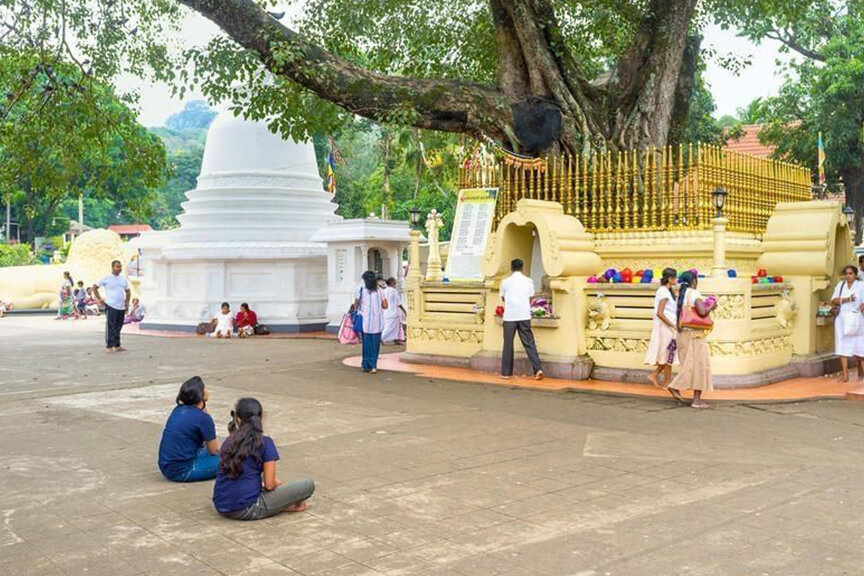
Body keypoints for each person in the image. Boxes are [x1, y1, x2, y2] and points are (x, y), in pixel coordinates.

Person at [213, 397, 314, 520]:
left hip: (221, 505)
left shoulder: (229, 441)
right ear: (260, 419)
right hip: (247, 508)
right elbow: (270, 485)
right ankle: (279, 506)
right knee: (307, 485)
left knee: (275, 488)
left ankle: (279, 505)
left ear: (238, 420)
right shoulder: (265, 443)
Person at [667, 271, 716, 408]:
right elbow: (702, 312)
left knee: (689, 365)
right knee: (700, 365)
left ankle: (679, 388)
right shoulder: (694, 293)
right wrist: (712, 305)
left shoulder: (680, 296)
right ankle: (695, 399)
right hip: (695, 334)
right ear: (694, 281)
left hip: (683, 333)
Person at [158, 376, 220, 482]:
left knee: (224, 452)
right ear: (200, 395)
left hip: (167, 466)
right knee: (232, 460)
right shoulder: (203, 418)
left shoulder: (178, 410)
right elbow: (214, 450)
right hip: (182, 471)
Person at [500, 258, 544, 380]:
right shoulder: (528, 281)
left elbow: (503, 298)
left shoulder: (505, 282)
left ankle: (506, 373)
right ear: (522, 267)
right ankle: (537, 369)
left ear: (511, 268)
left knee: (508, 343)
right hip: (524, 315)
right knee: (529, 343)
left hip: (510, 316)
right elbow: (531, 297)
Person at [644, 268, 678, 389]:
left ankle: (655, 375)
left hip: (669, 327)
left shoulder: (667, 291)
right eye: (675, 277)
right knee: (668, 355)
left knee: (668, 354)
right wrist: (671, 324)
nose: (677, 280)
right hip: (666, 327)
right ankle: (667, 382)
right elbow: (660, 312)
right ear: (670, 279)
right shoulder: (663, 292)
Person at [831, 265, 864, 382]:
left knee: (859, 346)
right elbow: (834, 300)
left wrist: (862, 306)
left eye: (850, 274)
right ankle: (845, 374)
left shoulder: (861, 285)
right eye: (846, 274)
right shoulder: (841, 285)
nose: (848, 276)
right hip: (842, 320)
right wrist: (846, 299)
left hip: (856, 319)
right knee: (841, 345)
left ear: (855, 275)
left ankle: (860, 367)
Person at [353, 270, 388, 373]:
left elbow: (356, 304)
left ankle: (365, 365)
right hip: (377, 322)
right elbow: (385, 305)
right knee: (375, 345)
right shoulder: (380, 291)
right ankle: (373, 366)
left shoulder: (361, 290)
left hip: (365, 323)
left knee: (366, 344)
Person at [93, 260, 131, 352]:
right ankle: (109, 346)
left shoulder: (123, 279)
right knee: (111, 326)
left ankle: (117, 345)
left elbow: (128, 291)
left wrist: (127, 302)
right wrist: (100, 299)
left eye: (120, 266)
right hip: (111, 305)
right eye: (117, 266)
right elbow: (94, 287)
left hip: (121, 306)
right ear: (112, 267)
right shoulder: (107, 278)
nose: (119, 268)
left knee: (119, 326)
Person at [381, 277, 406, 345]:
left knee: (393, 327)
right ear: (392, 283)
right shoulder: (394, 291)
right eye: (395, 283)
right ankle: (381, 337)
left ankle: (396, 340)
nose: (395, 284)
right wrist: (404, 311)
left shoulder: (384, 291)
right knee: (389, 328)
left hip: (386, 312)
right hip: (394, 312)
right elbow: (399, 303)